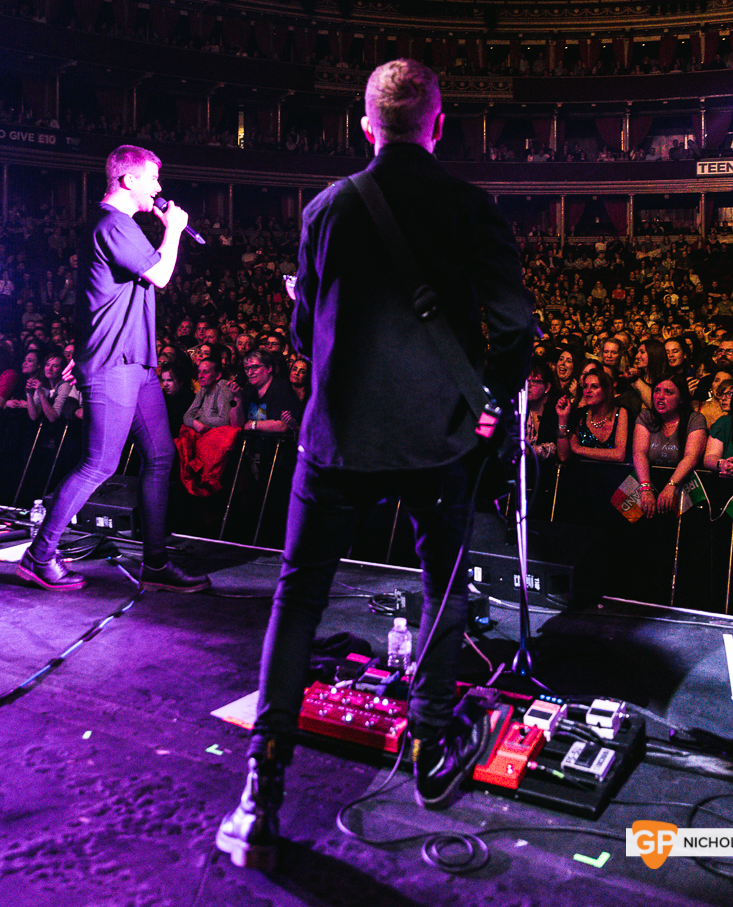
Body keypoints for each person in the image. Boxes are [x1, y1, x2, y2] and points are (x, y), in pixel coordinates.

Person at [215, 59, 534, 868]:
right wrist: (488, 405)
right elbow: (515, 332)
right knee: (442, 589)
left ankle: (262, 789)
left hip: (339, 442)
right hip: (441, 443)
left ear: (366, 126)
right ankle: (430, 751)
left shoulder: (326, 210)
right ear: (436, 123)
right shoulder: (471, 208)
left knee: (297, 596)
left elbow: (299, 340)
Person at [18, 145, 209, 594]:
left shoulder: (118, 227)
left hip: (136, 362)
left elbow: (98, 298)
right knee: (98, 464)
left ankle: (156, 564)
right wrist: (175, 231)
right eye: (153, 179)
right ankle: (39, 555)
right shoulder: (113, 224)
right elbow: (160, 275)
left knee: (161, 457)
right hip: (113, 366)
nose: (160, 189)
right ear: (128, 181)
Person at [631, 374, 707, 517]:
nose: (660, 396)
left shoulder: (695, 419)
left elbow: (691, 456)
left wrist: (671, 485)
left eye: (668, 392)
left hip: (683, 485)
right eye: (657, 391)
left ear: (681, 398)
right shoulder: (646, 416)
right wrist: (645, 488)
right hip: (649, 480)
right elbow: (639, 453)